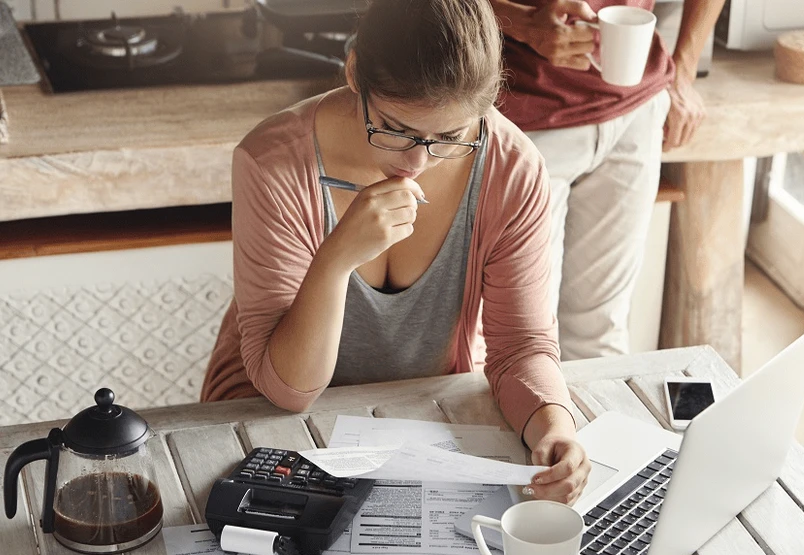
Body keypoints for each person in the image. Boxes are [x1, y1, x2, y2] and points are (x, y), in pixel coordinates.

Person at [201, 0, 590, 504]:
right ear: (354, 70)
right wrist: (336, 259)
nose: (417, 162)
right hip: (266, 419)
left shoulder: (513, 170)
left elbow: (519, 347)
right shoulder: (273, 162)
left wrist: (553, 427)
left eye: (450, 137)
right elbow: (288, 389)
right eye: (396, 129)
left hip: (421, 420)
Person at [489, 0, 725, 359]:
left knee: (601, 332)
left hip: (636, 109)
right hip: (522, 117)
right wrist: (521, 23)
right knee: (526, 341)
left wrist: (684, 72)